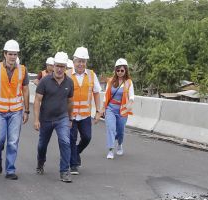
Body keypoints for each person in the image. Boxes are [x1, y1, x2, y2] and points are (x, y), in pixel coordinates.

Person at [0, 39, 30, 180]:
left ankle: (10, 169)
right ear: (5, 54)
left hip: (16, 111)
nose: (13, 57)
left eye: (15, 54)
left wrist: (26, 111)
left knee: (13, 141)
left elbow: (26, 90)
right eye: (10, 54)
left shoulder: (22, 70)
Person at [33, 51, 75, 183]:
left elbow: (70, 101)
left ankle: (64, 171)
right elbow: (37, 100)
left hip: (61, 118)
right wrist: (36, 119)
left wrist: (70, 118)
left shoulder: (69, 82)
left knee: (65, 141)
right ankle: (40, 163)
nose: (59, 69)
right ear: (53, 65)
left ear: (66, 68)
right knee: (42, 145)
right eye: (57, 65)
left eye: (62, 66)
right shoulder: (45, 81)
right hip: (46, 119)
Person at [68, 47, 102, 175]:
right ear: (74, 61)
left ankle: (76, 152)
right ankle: (73, 164)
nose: (81, 64)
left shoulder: (92, 75)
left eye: (83, 61)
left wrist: (98, 111)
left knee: (87, 137)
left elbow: (97, 93)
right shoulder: (67, 74)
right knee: (71, 138)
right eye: (79, 61)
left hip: (85, 115)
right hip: (70, 115)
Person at [101, 58, 135, 159]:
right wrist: (103, 108)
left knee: (120, 131)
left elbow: (132, 96)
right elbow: (105, 96)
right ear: (115, 71)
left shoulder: (129, 82)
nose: (120, 72)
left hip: (122, 110)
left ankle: (119, 144)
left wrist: (130, 103)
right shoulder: (110, 81)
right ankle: (111, 150)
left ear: (125, 71)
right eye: (118, 70)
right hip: (110, 108)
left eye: (122, 70)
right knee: (111, 128)